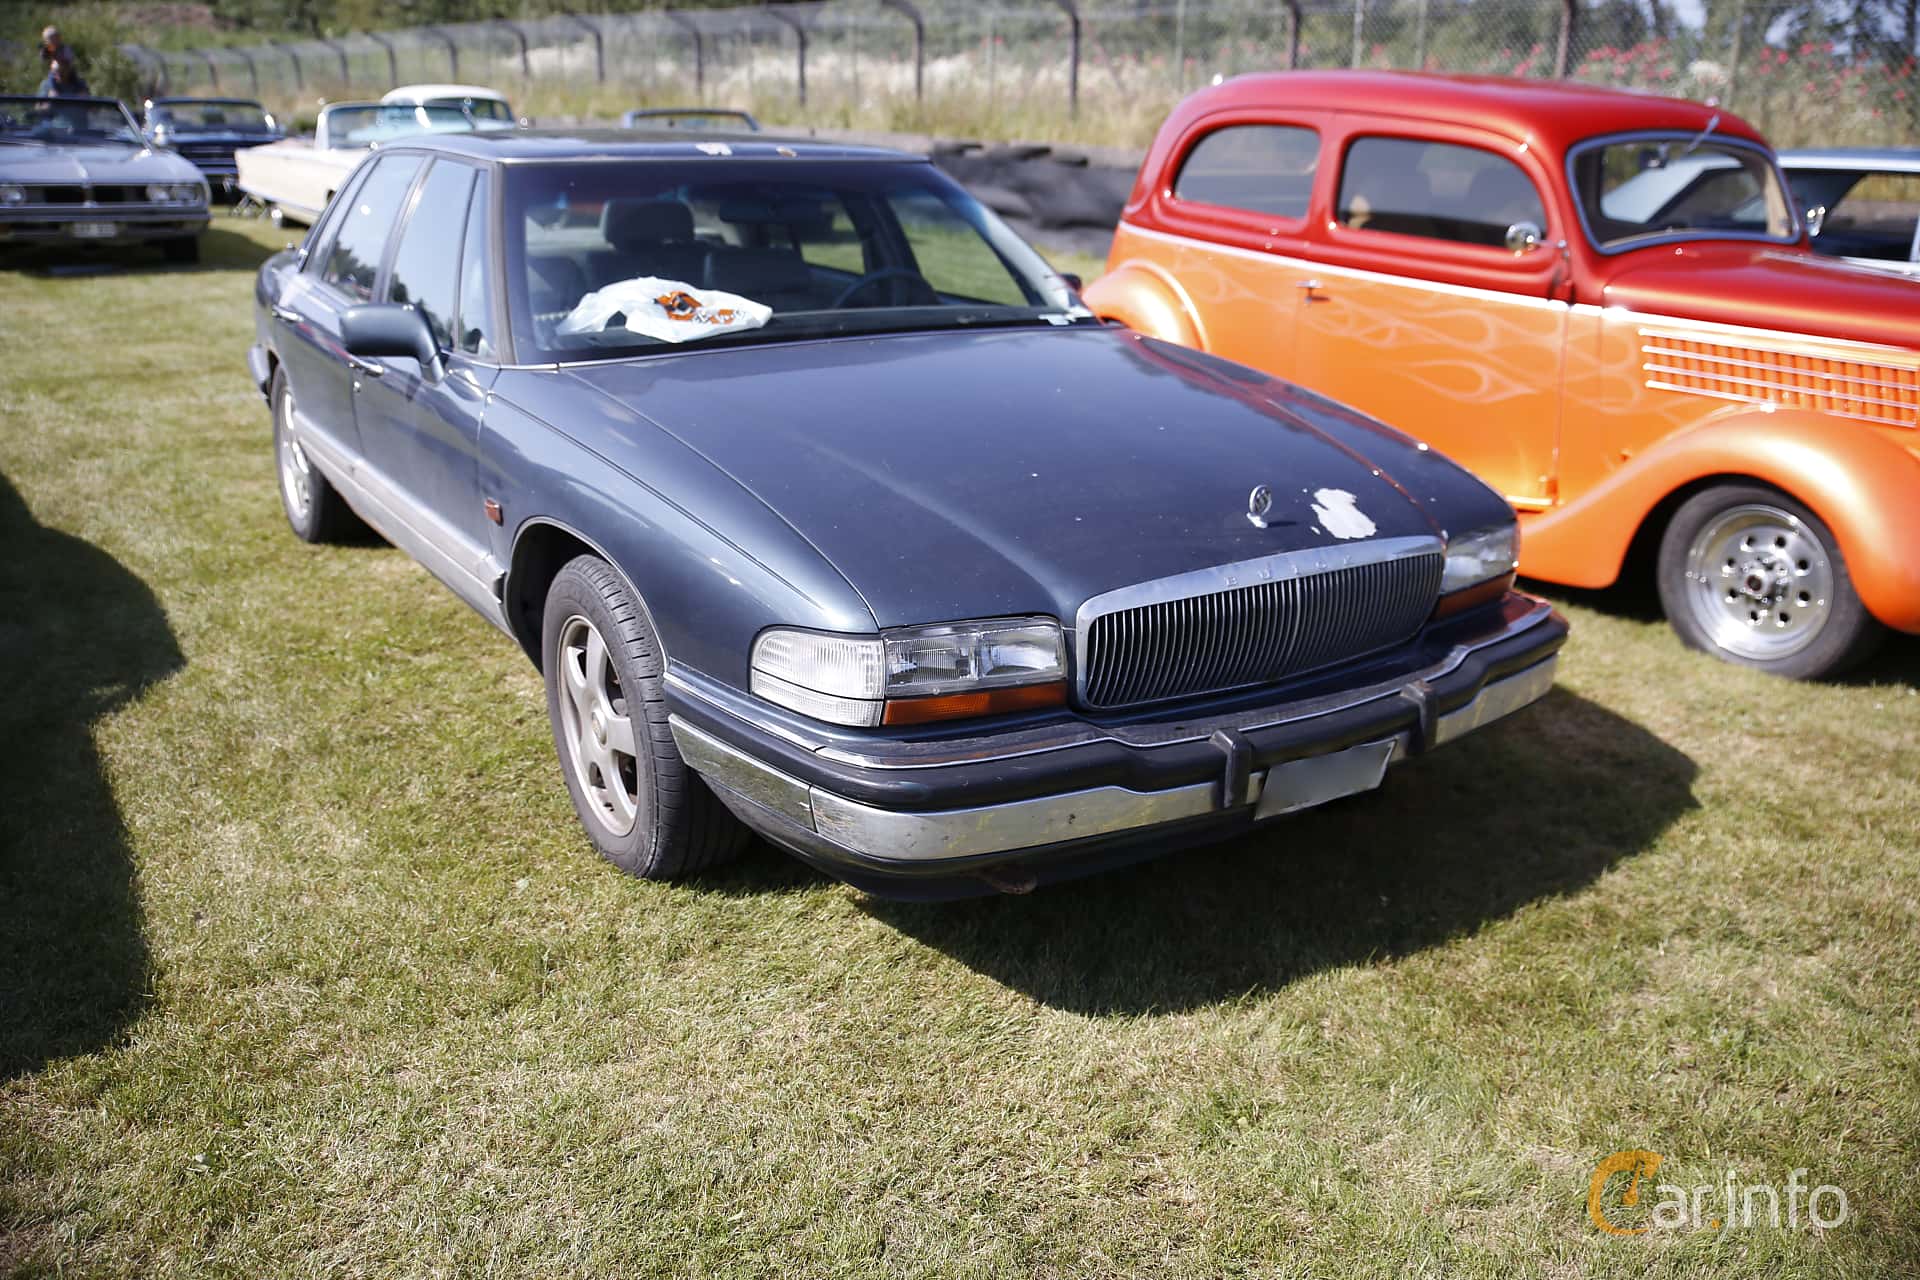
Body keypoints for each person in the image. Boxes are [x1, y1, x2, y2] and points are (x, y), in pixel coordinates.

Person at [38, 26, 91, 97]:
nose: (53, 41)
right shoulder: (49, 49)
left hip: (67, 68)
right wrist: (45, 53)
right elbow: (44, 58)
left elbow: (69, 59)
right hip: (55, 70)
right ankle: (54, 91)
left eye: (54, 38)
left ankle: (80, 91)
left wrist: (61, 61)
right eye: (49, 39)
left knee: (75, 78)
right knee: (51, 77)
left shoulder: (64, 48)